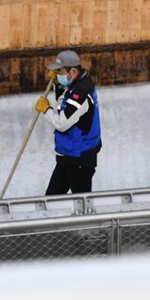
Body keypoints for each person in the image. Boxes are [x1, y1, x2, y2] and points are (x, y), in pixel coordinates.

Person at [35, 50, 102, 195]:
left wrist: (46, 110)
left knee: (82, 204)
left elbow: (62, 123)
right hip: (68, 155)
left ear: (72, 71)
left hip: (79, 159)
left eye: (60, 71)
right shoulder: (76, 84)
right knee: (51, 200)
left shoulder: (81, 94)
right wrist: (57, 85)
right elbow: (63, 102)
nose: (58, 74)